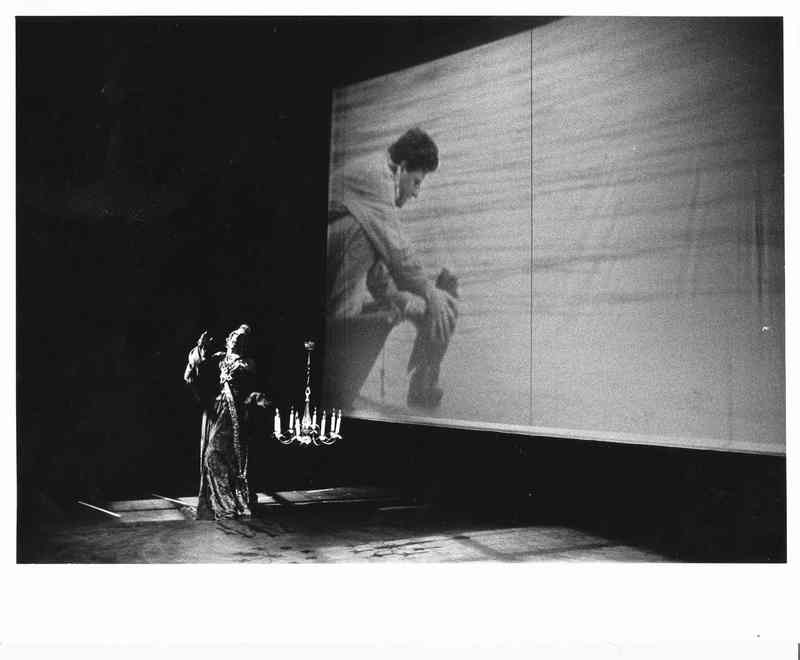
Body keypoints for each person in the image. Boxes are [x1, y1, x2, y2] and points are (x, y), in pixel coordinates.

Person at [325, 127, 459, 409]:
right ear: (403, 168)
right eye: (417, 182)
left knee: (366, 231)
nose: (416, 193)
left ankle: (345, 325)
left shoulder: (375, 186)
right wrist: (430, 293)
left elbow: (378, 256)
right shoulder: (378, 178)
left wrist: (398, 298)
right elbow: (398, 252)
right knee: (363, 230)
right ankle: (339, 331)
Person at [183, 324, 268, 520]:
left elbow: (251, 386)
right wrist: (201, 348)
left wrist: (255, 398)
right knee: (214, 456)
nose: (237, 339)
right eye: (235, 336)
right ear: (229, 340)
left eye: (242, 338)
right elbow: (198, 369)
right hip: (217, 410)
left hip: (234, 413)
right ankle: (222, 503)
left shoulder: (247, 363)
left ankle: (229, 503)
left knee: (218, 455)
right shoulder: (219, 357)